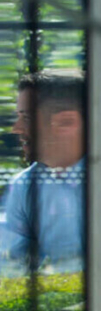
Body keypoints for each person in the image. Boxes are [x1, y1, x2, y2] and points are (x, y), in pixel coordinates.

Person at [0, 69, 85, 270]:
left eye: (26, 118)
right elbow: (10, 266)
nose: (16, 128)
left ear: (67, 122)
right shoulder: (24, 186)